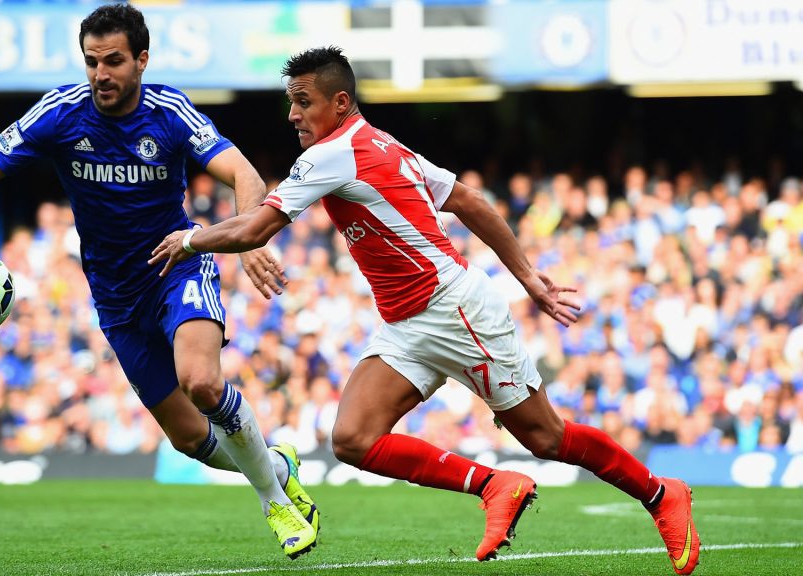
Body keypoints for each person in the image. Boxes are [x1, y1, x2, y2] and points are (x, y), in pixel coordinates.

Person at [150, 47, 700, 574]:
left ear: (339, 103)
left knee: (545, 438)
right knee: (353, 439)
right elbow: (468, 200)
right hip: (406, 323)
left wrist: (192, 240)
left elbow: (257, 227)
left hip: (454, 309)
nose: (292, 114)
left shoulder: (329, 154)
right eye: (290, 102)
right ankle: (494, 486)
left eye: (302, 101)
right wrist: (528, 278)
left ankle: (660, 493)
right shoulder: (380, 143)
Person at [0, 4, 317, 559]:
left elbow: (242, 172)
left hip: (177, 267)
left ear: (142, 59)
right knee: (192, 439)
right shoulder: (60, 113)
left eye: (114, 61)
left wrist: (246, 239)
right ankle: (279, 462)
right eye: (92, 62)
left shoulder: (169, 111)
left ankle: (274, 501)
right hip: (115, 297)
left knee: (202, 383)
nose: (101, 74)